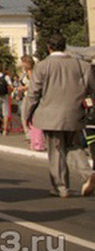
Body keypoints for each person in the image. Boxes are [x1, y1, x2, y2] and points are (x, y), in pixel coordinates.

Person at [22, 31, 95, 198]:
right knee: (74, 146)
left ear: (49, 48)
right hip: (74, 113)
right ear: (64, 46)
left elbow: (33, 93)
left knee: (56, 151)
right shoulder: (81, 65)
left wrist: (28, 114)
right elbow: (91, 87)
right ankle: (88, 173)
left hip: (50, 116)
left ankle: (61, 187)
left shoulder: (42, 67)